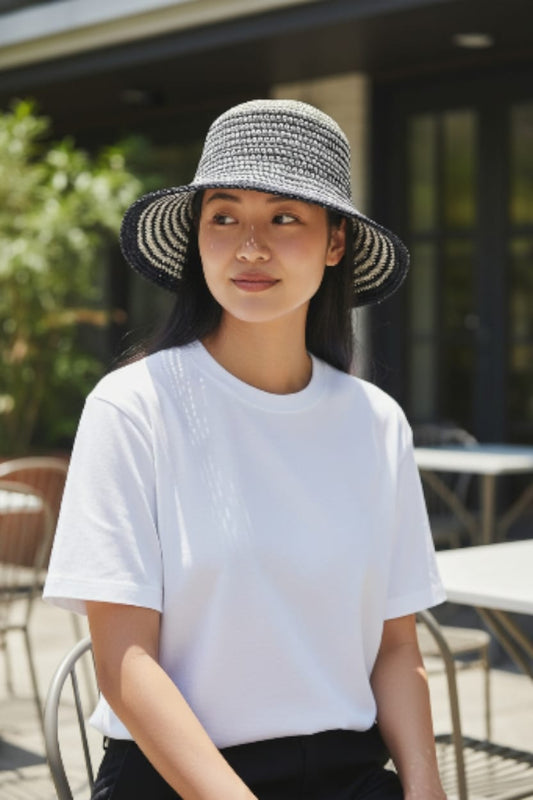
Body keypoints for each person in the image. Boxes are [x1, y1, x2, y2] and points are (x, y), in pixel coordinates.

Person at [44, 99, 447, 800]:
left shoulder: (376, 423)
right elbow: (124, 664)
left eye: (284, 218)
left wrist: (425, 787)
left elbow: (395, 646)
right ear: (197, 237)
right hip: (178, 778)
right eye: (224, 217)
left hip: (349, 775)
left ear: (335, 242)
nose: (250, 247)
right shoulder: (133, 408)